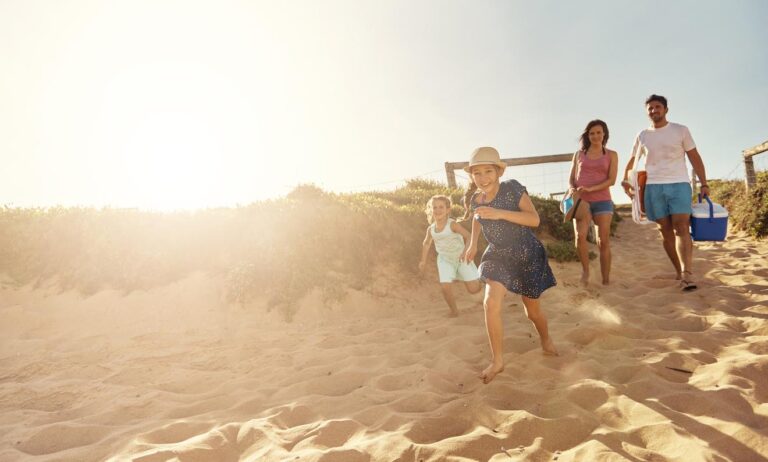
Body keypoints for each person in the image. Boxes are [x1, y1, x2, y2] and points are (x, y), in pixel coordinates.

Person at [462, 147, 558, 384]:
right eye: (477, 173)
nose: (483, 178)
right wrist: (473, 243)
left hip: (526, 252)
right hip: (497, 255)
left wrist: (500, 213)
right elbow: (477, 218)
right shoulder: (476, 199)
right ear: (472, 176)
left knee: (532, 312)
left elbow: (534, 219)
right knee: (490, 301)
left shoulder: (512, 189)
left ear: (498, 172)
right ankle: (497, 361)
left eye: (488, 171)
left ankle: (545, 339)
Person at [620, 94, 709, 291]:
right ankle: (679, 270)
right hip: (653, 187)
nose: (654, 110)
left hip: (679, 184)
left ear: (666, 109)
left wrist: (704, 183)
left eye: (657, 107)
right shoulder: (642, 135)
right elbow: (632, 160)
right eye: (650, 108)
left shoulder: (680, 130)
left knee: (681, 227)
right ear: (647, 112)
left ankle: (687, 273)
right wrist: (625, 180)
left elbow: (694, 156)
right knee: (665, 231)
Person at [566, 119, 619, 286]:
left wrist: (592, 189)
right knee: (579, 236)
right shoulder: (578, 154)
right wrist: (571, 188)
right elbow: (572, 177)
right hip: (581, 202)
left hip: (602, 200)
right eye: (592, 133)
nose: (595, 136)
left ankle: (605, 279)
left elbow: (611, 180)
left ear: (604, 134)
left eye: (598, 132)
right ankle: (586, 271)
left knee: (603, 241)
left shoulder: (611, 155)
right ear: (587, 136)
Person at [418, 195, 482, 317]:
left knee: (473, 289)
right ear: (431, 210)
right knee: (445, 287)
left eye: (441, 207)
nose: (437, 210)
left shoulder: (452, 225)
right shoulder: (430, 229)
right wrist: (423, 261)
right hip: (445, 260)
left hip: (461, 258)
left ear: (448, 210)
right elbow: (426, 244)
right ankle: (454, 311)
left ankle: (484, 289)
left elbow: (469, 236)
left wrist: (465, 252)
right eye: (434, 207)